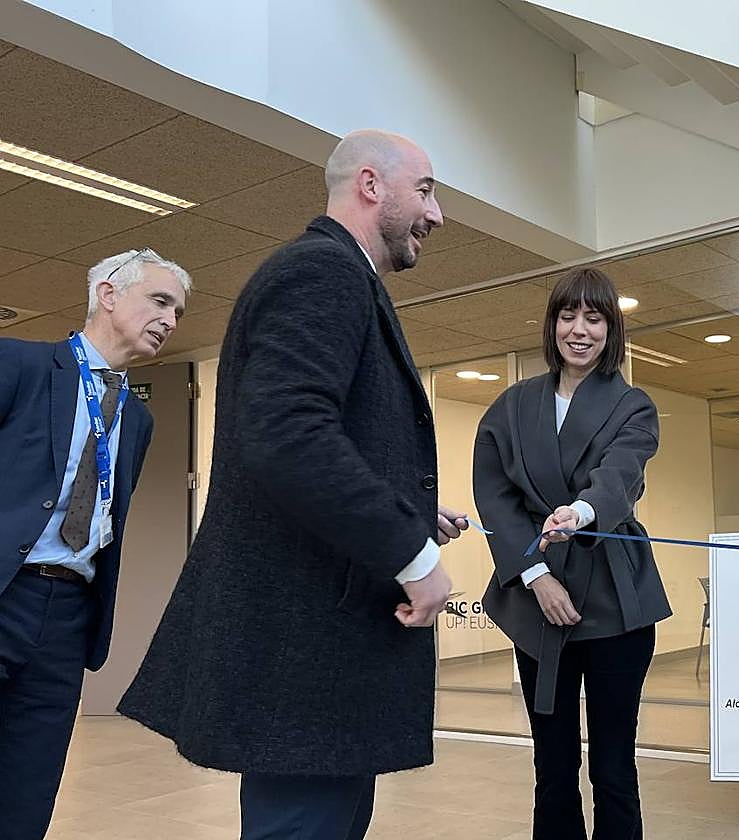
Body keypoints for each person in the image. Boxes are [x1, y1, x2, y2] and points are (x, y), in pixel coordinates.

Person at [118, 130, 469, 840]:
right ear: (371, 185)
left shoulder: (339, 277)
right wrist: (413, 554)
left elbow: (314, 439)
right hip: (308, 650)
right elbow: (287, 435)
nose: (436, 216)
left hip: (320, 648)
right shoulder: (322, 272)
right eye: (426, 191)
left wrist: (404, 503)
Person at [473, 267, 672, 840]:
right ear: (552, 324)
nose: (579, 330)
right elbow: (496, 497)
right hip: (536, 603)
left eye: (594, 318)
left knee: (614, 768)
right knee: (552, 768)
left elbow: (621, 475)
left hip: (615, 602)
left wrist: (582, 513)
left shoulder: (634, 406)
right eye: (568, 316)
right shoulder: (510, 407)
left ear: (611, 330)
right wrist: (535, 574)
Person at [0, 248, 190, 839]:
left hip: (67, 616)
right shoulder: (18, 365)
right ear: (108, 294)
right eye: (159, 301)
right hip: (5, 590)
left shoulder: (138, 419)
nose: (170, 319)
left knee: (28, 787)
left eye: (178, 311)